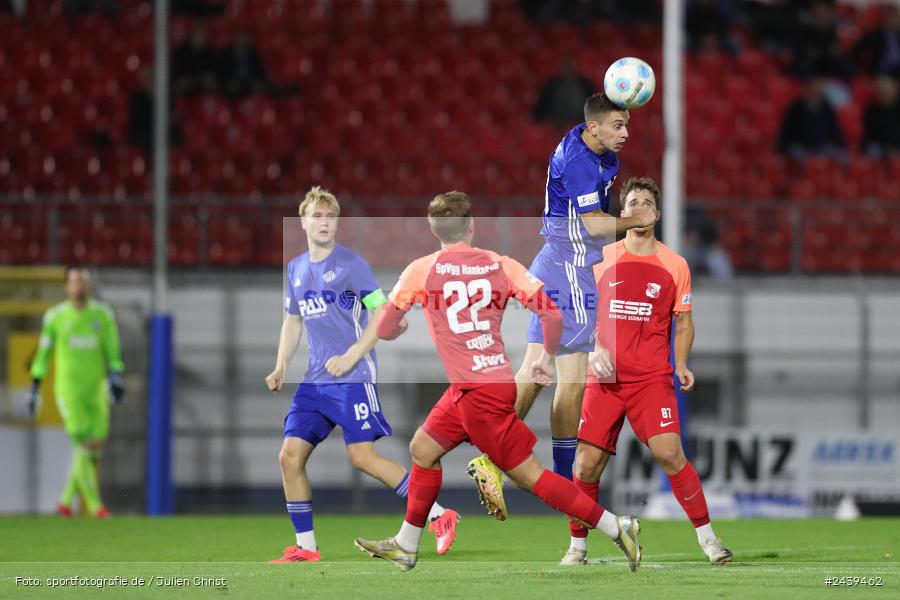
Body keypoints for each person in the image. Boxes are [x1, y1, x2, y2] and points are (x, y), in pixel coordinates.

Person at [353, 191, 643, 572]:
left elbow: (387, 327)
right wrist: (544, 358)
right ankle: (407, 544)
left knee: (530, 477)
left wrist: (399, 323)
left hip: (477, 396)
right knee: (423, 448)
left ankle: (615, 525)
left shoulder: (420, 270)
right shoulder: (500, 265)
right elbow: (552, 316)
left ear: (433, 230)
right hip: (485, 385)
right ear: (471, 226)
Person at [266, 187, 459, 563]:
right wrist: (281, 365)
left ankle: (439, 516)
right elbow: (292, 322)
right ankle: (306, 548)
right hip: (315, 381)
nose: (324, 222)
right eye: (317, 216)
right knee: (289, 457)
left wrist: (353, 354)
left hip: (352, 378)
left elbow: (379, 310)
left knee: (364, 458)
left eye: (330, 216)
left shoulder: (352, 265)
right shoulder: (296, 269)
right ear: (303, 222)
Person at [561, 178, 732, 566]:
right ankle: (577, 546)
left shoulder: (675, 265)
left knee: (671, 454)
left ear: (657, 213)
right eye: (632, 202)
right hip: (604, 379)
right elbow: (578, 315)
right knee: (586, 464)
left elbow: (684, 321)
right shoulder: (600, 258)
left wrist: (682, 362)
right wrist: (594, 349)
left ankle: (709, 540)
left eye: (646, 202)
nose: (638, 207)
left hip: (650, 379)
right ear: (622, 214)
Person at [511, 93, 656, 487]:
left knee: (533, 369)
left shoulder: (600, 151)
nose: (626, 133)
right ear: (593, 127)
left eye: (627, 124)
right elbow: (593, 226)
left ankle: (495, 450)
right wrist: (637, 220)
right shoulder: (579, 161)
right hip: (570, 269)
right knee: (571, 379)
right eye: (617, 125)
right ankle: (559, 477)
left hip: (553, 260)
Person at [29, 267, 125, 518]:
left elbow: (112, 349)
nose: (78, 286)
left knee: (94, 449)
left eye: (82, 281)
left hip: (96, 390)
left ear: (89, 286)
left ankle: (64, 502)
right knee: (83, 444)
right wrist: (35, 386)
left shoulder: (102, 315)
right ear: (66, 287)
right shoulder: (55, 317)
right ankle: (97, 508)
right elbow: (43, 354)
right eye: (73, 281)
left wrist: (116, 374)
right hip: (69, 391)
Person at [776, 76, 847, 161]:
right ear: (807, 87)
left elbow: (836, 130)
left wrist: (839, 146)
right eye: (814, 85)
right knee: (800, 155)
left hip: (821, 147)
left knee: (843, 156)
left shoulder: (827, 107)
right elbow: (786, 134)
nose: (817, 88)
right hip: (801, 146)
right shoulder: (796, 107)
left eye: (819, 85)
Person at [532, 57, 597, 129]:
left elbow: (593, 105)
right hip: (556, 124)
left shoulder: (586, 86)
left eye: (570, 67)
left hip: (579, 122)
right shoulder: (551, 85)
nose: (568, 70)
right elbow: (541, 106)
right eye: (566, 67)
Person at [218, 27, 271, 97]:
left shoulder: (253, 52)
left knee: (259, 87)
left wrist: (258, 81)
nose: (241, 40)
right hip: (234, 79)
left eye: (244, 37)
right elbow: (224, 70)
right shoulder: (227, 53)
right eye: (239, 37)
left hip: (250, 79)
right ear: (234, 39)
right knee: (231, 88)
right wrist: (229, 81)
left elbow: (260, 69)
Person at [172, 22, 220, 96]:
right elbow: (177, 74)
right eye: (198, 33)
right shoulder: (182, 51)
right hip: (186, 88)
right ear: (192, 34)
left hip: (203, 87)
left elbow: (214, 75)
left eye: (203, 33)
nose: (201, 37)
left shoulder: (211, 52)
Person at [853, 5, 900, 77]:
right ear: (886, 18)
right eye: (895, 17)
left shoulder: (897, 35)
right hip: (882, 71)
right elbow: (858, 51)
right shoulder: (874, 35)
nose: (898, 20)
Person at [861, 75, 900, 159]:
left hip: (896, 144)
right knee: (872, 151)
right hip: (878, 144)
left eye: (886, 92)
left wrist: (892, 146)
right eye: (881, 92)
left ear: (894, 93)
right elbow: (869, 132)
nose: (884, 95)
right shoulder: (872, 109)